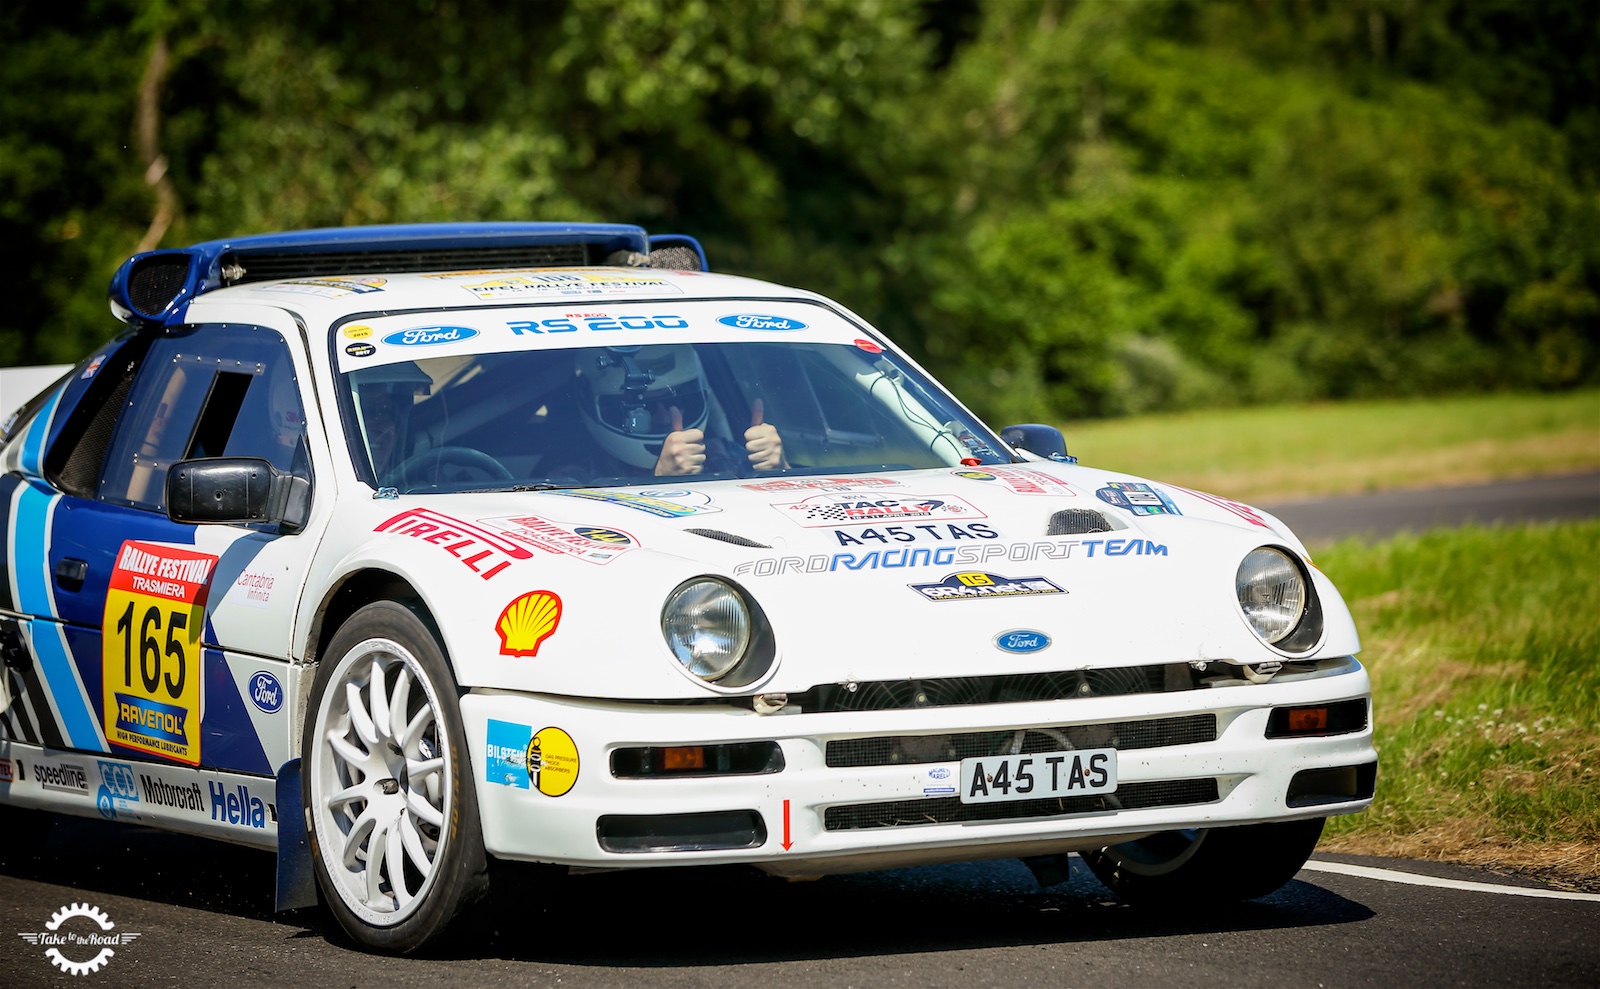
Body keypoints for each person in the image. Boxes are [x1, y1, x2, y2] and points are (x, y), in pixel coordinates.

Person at [575, 345, 785, 477]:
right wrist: (661, 480)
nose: (665, 417)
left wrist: (779, 467)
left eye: (677, 401)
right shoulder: (575, 479)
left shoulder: (723, 455)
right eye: (641, 407)